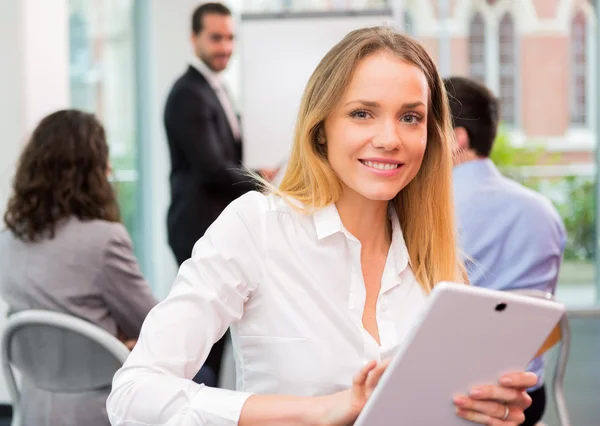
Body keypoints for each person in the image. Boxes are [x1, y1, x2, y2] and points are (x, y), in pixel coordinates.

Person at [107, 27, 537, 426]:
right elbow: (133, 394)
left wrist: (480, 410)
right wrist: (322, 410)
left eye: (410, 117)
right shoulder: (256, 226)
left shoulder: (434, 260)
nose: (390, 138)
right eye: (363, 113)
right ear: (321, 129)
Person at [0, 109, 157, 426]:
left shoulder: (6, 243)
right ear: (93, 171)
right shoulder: (104, 240)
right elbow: (154, 323)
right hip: (102, 409)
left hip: (32, 408)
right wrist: (116, 339)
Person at [163, 2, 276, 384]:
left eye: (230, 38)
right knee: (204, 333)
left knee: (219, 333)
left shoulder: (216, 89)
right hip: (197, 226)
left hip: (212, 222)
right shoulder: (188, 95)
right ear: (194, 39)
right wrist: (263, 179)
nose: (224, 46)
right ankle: (196, 404)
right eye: (215, 37)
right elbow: (213, 168)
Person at [445, 76, 567, 426]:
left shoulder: (435, 214)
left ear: (457, 139)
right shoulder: (544, 210)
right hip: (530, 395)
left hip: (466, 399)